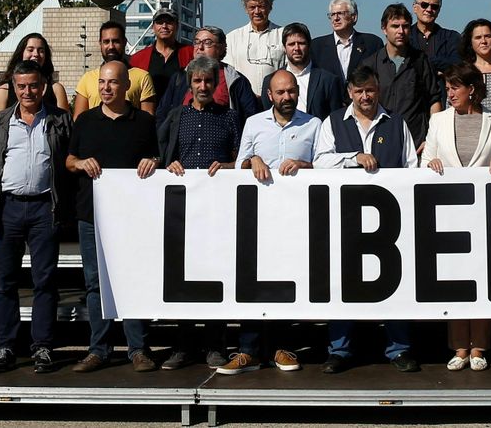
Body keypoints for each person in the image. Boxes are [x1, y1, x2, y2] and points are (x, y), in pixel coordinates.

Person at [313, 65, 420, 373]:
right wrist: (353, 158)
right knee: (343, 284)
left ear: (378, 89)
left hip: (391, 223)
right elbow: (320, 163)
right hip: (345, 219)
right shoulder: (333, 122)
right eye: (358, 91)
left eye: (370, 90)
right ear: (349, 92)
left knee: (395, 284)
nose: (365, 97)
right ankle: (339, 349)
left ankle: (399, 349)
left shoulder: (397, 123)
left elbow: (411, 167)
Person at [0, 60, 72, 375]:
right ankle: (6, 347)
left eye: (33, 85)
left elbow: (69, 166)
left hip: (45, 208)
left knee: (45, 281)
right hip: (8, 208)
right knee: (5, 283)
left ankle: (42, 347)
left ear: (43, 86)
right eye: (21, 86)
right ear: (14, 88)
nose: (28, 91)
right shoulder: (1, 123)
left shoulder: (59, 121)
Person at [221, 69, 324, 375]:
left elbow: (325, 166)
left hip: (295, 216)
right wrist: (252, 160)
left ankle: (282, 346)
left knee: (286, 282)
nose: (286, 97)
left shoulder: (313, 125)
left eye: (291, 91)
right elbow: (240, 163)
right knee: (252, 281)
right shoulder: (254, 123)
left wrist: (305, 165)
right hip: (257, 217)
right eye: (280, 92)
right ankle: (248, 351)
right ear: (269, 95)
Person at [64, 61, 160, 373]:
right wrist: (79, 164)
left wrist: (153, 162)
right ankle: (99, 350)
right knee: (94, 284)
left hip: (132, 217)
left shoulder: (144, 122)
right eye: (102, 83)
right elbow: (69, 160)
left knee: (132, 280)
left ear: (125, 86)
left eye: (113, 83)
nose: (106, 88)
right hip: (92, 215)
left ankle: (138, 349)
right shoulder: (85, 121)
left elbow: (157, 157)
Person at [422, 66, 491, 371]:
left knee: (483, 280)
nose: (449, 94)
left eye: (454, 88)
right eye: (447, 88)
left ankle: (479, 348)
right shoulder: (438, 120)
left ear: (471, 89)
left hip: (484, 214)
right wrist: (430, 162)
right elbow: (424, 161)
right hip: (448, 213)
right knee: (456, 282)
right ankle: (459, 347)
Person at [157, 57, 238, 370]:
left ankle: (215, 346)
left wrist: (230, 167)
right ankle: (183, 346)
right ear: (189, 85)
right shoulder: (177, 117)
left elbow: (241, 159)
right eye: (198, 81)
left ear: (217, 82)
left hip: (218, 213)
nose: (203, 87)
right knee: (185, 281)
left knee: (215, 279)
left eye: (208, 81)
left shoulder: (230, 118)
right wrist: (168, 165)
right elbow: (162, 155)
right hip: (183, 211)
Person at [354, 3, 440, 151]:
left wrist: (431, 139)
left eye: (405, 26)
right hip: (379, 142)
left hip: (416, 143)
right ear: (384, 29)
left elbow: (434, 100)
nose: (401, 31)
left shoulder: (421, 61)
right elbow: (357, 102)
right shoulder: (369, 64)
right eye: (395, 26)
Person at [156, 25, 259, 135]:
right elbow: (162, 114)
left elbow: (252, 118)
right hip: (184, 147)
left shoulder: (236, 80)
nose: (200, 47)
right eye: (196, 42)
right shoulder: (179, 78)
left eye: (207, 43)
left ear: (221, 48)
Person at [73, 22, 156, 118]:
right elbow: (78, 120)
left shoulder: (142, 77)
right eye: (106, 42)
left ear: (124, 42)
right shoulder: (87, 78)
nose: (111, 46)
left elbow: (148, 119)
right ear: (100, 44)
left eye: (116, 41)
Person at [272, 21, 345, 120]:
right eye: (291, 44)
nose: (296, 48)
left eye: (301, 43)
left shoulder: (328, 80)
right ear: (284, 47)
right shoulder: (271, 81)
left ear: (309, 45)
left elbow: (336, 119)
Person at [226, 0, 286, 95]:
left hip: (275, 101)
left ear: (270, 7)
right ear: (246, 9)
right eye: (252, 7)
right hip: (244, 101)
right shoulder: (232, 38)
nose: (257, 12)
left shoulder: (283, 35)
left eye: (262, 6)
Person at [0, 32, 70, 115]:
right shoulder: (4, 91)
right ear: (21, 53)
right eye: (30, 50)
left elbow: (64, 124)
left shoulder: (56, 89)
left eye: (41, 51)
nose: (36, 54)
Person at [310, 0, 382, 79]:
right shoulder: (316, 46)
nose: (336, 18)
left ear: (354, 17)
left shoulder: (372, 43)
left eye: (340, 13)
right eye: (332, 14)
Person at [131, 10, 190, 103]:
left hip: (181, 114)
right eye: (159, 22)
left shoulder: (190, 54)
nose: (164, 26)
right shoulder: (137, 59)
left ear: (177, 26)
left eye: (169, 22)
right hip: (149, 114)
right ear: (153, 27)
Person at [407, 0, 462, 73]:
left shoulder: (451, 37)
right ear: (415, 8)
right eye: (424, 5)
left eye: (434, 6)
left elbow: (457, 64)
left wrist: (423, 61)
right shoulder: (405, 35)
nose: (429, 9)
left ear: (439, 10)